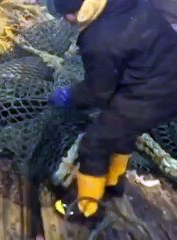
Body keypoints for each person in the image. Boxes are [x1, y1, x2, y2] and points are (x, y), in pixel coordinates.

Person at [46, 0, 177, 225]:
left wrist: (70, 96)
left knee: (95, 143)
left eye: (66, 15)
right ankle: (113, 183)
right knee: (121, 130)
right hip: (167, 75)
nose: (67, 21)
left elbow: (98, 93)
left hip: (151, 94)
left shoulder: (99, 41)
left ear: (73, 13)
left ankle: (87, 208)